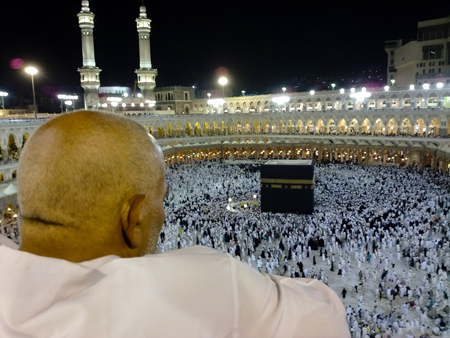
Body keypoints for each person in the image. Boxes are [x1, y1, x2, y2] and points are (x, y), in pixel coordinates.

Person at [0, 111, 349, 338]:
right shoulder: (200, 287)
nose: (163, 212)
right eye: (161, 199)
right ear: (133, 218)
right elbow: (326, 319)